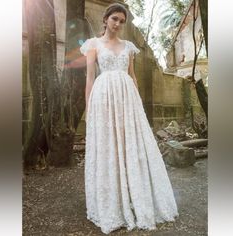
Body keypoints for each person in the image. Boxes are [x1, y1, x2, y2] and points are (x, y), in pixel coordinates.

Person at [79, 3, 179, 234]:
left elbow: (132, 76)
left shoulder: (129, 47)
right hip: (104, 98)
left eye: (122, 21)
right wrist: (89, 108)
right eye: (115, 19)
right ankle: (113, 201)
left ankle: (135, 196)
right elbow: (90, 79)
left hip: (127, 99)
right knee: (109, 146)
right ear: (105, 19)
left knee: (129, 144)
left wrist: (138, 106)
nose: (118, 24)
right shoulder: (93, 45)